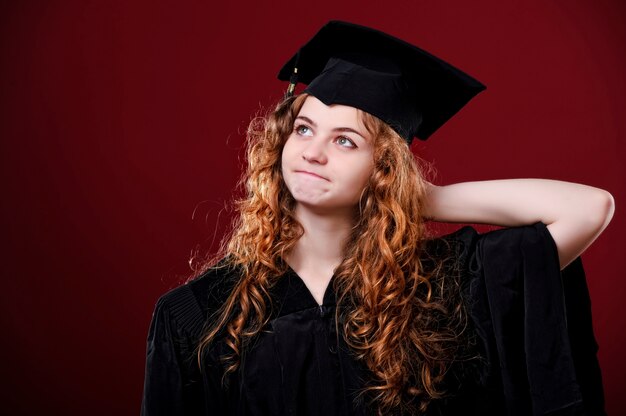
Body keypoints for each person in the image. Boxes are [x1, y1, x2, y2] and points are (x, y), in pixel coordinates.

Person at [141, 21, 614, 415]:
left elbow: (589, 208)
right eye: (304, 129)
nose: (313, 153)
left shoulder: (443, 285)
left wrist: (427, 197)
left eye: (345, 140)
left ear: (383, 169)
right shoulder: (203, 313)